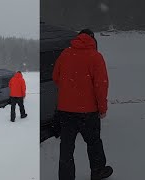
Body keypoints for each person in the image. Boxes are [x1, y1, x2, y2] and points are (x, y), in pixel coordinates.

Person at [52, 29, 113, 180]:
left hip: (65, 111)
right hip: (88, 111)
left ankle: (66, 176)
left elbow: (56, 78)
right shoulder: (95, 57)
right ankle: (98, 171)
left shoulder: (65, 54)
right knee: (93, 142)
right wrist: (102, 108)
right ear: (93, 40)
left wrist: (69, 91)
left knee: (66, 146)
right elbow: (101, 86)